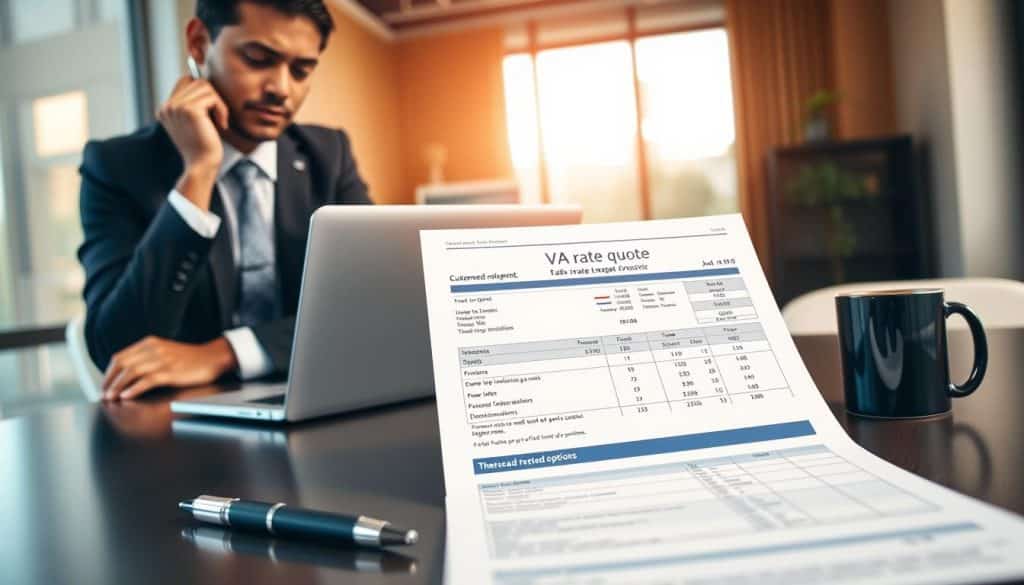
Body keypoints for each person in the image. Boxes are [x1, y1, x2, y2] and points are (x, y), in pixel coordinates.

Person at [77, 0, 371, 401]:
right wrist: (198, 171)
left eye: (301, 70)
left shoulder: (329, 155)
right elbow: (114, 345)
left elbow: (367, 304)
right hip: (181, 429)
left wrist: (225, 353)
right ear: (199, 43)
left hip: (319, 398)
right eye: (257, 58)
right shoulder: (117, 167)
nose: (281, 88)